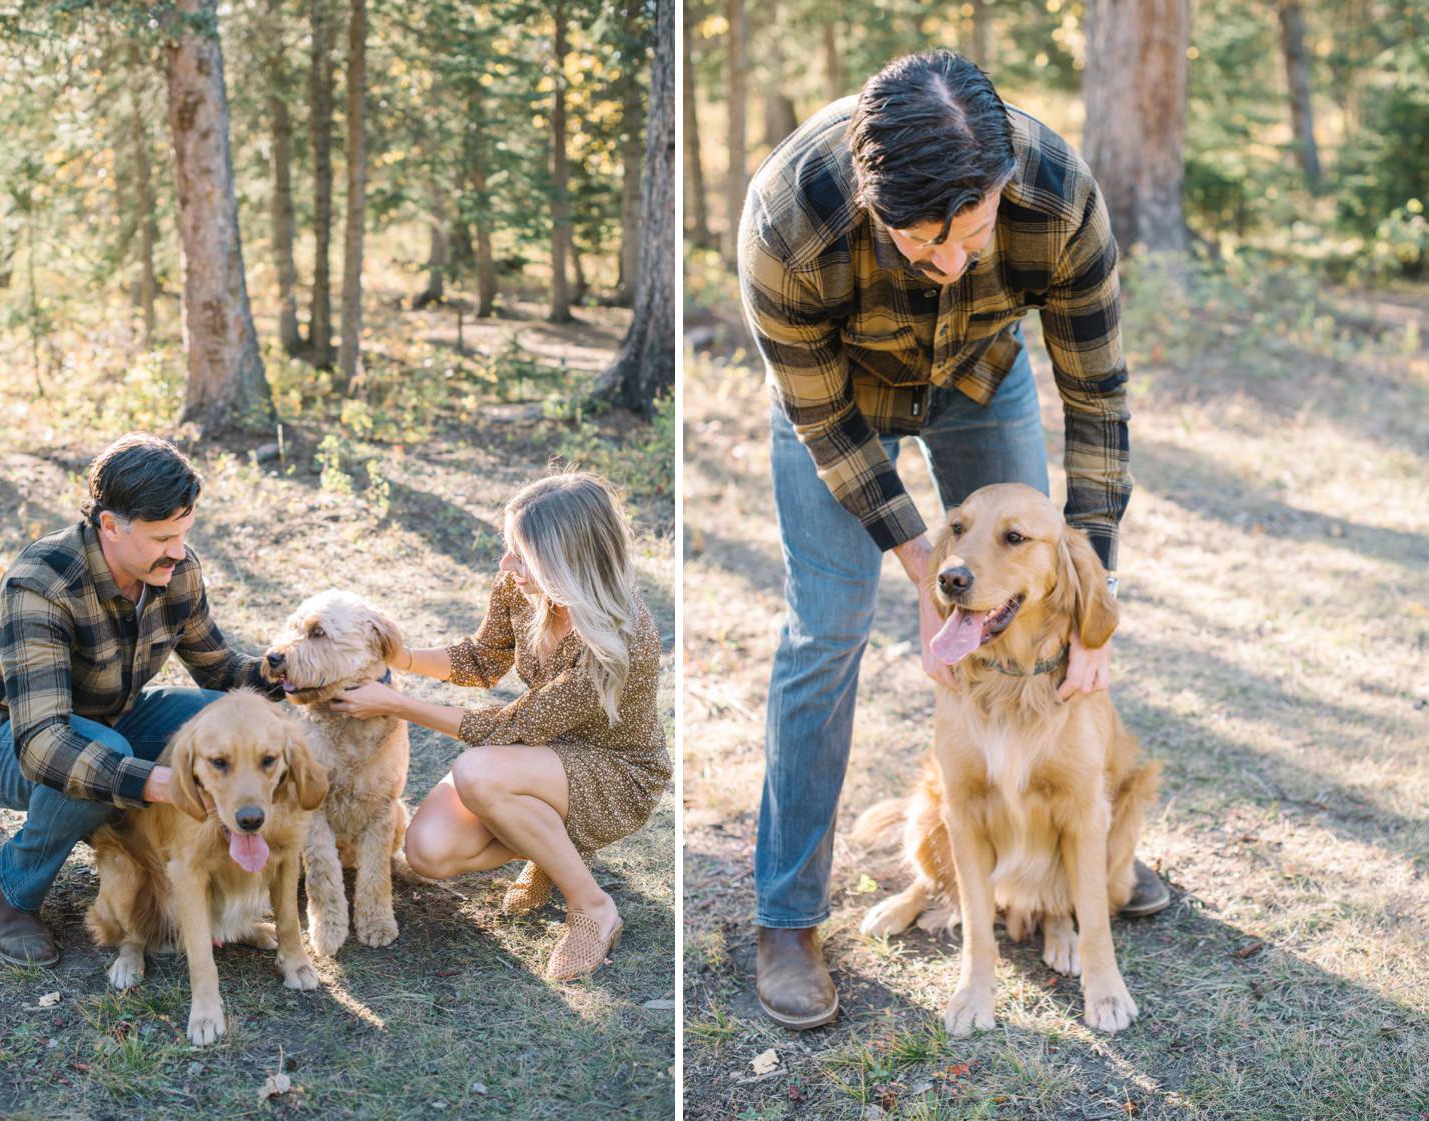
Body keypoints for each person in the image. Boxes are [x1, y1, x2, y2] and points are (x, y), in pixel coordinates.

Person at [737, 50, 1170, 1030]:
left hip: (984, 378)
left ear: (1001, 184)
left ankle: (1080, 857)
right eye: (918, 243)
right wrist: (921, 557)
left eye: (968, 236)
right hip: (838, 404)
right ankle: (786, 914)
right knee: (828, 624)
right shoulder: (785, 222)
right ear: (867, 194)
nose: (947, 260)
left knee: (1038, 598)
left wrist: (1090, 588)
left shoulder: (1059, 197)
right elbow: (831, 430)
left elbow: (1097, 395)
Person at [0, 433, 281, 967]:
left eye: (184, 532)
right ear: (109, 525)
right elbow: (42, 745)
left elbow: (221, 671)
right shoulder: (41, 585)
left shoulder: (176, 570)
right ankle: (15, 893)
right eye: (162, 537)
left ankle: (202, 872)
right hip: (1, 737)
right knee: (97, 757)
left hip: (111, 717)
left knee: (215, 717)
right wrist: (161, 783)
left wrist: (290, 673)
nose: (178, 549)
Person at [329, 472, 671, 980]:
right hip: (537, 756)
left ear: (566, 562)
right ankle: (552, 848)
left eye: (521, 554)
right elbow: (482, 660)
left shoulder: (622, 637)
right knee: (427, 853)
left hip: (614, 770)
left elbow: (508, 728)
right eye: (508, 547)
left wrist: (395, 704)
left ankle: (593, 909)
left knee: (479, 771)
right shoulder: (522, 588)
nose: (506, 564)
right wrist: (399, 657)